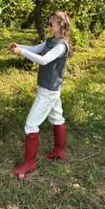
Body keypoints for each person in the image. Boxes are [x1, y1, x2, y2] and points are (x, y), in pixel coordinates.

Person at [9, 11, 72, 178]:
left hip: (49, 91)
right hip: (50, 88)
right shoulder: (51, 41)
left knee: (31, 125)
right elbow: (36, 49)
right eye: (49, 23)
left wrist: (21, 52)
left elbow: (44, 60)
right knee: (57, 118)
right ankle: (59, 152)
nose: (49, 26)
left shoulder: (61, 45)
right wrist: (19, 47)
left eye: (52, 24)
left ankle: (30, 163)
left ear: (61, 26)